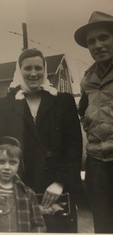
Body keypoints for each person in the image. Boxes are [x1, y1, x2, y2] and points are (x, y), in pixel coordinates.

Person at [0, 48, 83, 233]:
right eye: (27, 68)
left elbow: (74, 145)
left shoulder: (63, 101)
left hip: (57, 188)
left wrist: (60, 182)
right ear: (19, 71)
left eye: (38, 68)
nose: (33, 73)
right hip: (20, 187)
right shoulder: (3, 105)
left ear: (45, 69)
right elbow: (1, 147)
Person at [74, 11, 113, 233]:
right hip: (97, 164)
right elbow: (83, 112)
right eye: (91, 41)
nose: (97, 45)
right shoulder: (87, 80)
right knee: (104, 225)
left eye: (104, 38)